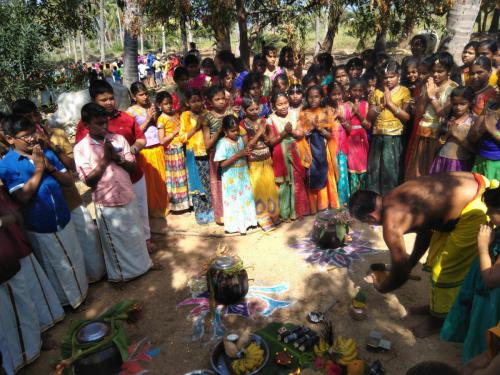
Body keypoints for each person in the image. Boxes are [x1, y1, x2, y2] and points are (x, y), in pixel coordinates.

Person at [349, 172, 490, 338]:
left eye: (366, 223)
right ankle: (437, 307)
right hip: (472, 187)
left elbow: (400, 274)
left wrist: (384, 287)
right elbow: (426, 230)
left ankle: (438, 321)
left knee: (444, 271)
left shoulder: (391, 224)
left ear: (371, 217)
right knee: (434, 259)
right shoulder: (395, 196)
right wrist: (411, 263)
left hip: (475, 205)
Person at [12, 99, 105, 282]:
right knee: (65, 250)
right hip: (46, 209)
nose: (34, 121)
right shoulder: (17, 151)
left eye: (34, 115)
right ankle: (80, 282)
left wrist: (51, 147)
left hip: (70, 199)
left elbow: (72, 165)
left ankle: (97, 275)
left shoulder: (57, 135)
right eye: (27, 119)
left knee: (87, 237)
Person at [0, 115, 88, 308]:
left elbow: (68, 182)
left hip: (63, 216)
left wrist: (50, 168)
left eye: (33, 133)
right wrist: (40, 170)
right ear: (10, 139)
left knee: (74, 256)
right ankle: (69, 303)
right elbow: (22, 196)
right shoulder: (7, 165)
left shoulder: (46, 153)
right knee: (56, 265)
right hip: (41, 224)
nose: (32, 139)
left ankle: (83, 295)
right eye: (26, 136)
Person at [74, 103, 153, 282]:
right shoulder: (81, 148)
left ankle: (144, 266)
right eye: (99, 124)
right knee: (116, 240)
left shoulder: (118, 139)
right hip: (106, 200)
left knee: (135, 235)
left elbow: (133, 167)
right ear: (86, 125)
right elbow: (88, 180)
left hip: (126, 193)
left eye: (105, 122)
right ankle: (121, 276)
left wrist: (118, 159)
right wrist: (105, 160)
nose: (104, 127)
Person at [441, 186, 500, 364]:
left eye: (493, 210)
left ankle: (480, 361)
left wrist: (483, 247)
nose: (488, 213)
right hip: (484, 296)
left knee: (484, 332)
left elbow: (490, 280)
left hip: (492, 304)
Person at [367, 60, 411, 194]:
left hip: (394, 136)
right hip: (378, 134)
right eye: (385, 77)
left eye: (392, 77)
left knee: (390, 168)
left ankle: (390, 196)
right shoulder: (377, 92)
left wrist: (391, 104)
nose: (388, 80)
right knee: (375, 168)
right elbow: (370, 116)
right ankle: (374, 197)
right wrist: (381, 105)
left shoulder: (404, 91)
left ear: (398, 76)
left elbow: (407, 117)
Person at [127, 82, 169, 218]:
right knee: (149, 182)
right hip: (144, 150)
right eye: (141, 94)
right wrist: (148, 119)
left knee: (162, 178)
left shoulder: (152, 106)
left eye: (146, 93)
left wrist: (155, 117)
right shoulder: (130, 112)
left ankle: (165, 205)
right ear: (134, 96)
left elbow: (159, 124)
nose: (145, 97)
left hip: (158, 146)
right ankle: (152, 209)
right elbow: (133, 133)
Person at [267, 92, 310, 221]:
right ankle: (285, 213)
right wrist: (284, 132)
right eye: (279, 104)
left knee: (297, 180)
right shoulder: (270, 119)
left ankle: (298, 211)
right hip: (281, 153)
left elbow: (301, 133)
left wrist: (291, 131)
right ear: (273, 106)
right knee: (285, 183)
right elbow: (271, 141)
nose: (284, 106)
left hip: (295, 151)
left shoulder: (294, 115)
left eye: (285, 103)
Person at [240, 96, 280, 231]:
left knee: (270, 188)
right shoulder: (242, 125)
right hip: (254, 161)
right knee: (259, 190)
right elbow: (247, 147)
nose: (255, 111)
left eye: (257, 108)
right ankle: (263, 219)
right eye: (251, 109)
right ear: (244, 110)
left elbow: (269, 141)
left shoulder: (263, 120)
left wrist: (264, 135)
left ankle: (274, 215)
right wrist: (258, 133)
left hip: (266, 158)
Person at [298, 85, 339, 213]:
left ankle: (325, 204)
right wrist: (310, 129)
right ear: (307, 98)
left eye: (316, 96)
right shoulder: (303, 114)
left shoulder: (326, 113)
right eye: (310, 97)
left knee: (325, 175)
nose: (313, 99)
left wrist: (320, 129)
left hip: (323, 151)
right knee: (311, 175)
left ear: (321, 97)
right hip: (310, 151)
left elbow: (330, 135)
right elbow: (301, 135)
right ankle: (314, 207)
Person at [214, 115, 257, 234]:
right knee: (234, 201)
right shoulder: (222, 143)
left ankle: (248, 222)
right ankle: (236, 226)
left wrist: (246, 155)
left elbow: (244, 153)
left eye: (237, 129)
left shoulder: (240, 140)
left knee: (245, 198)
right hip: (231, 177)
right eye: (232, 131)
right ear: (225, 131)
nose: (236, 133)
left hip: (243, 174)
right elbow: (222, 164)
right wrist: (238, 155)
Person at [179, 88, 215, 225]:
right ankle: (201, 213)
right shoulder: (185, 116)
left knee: (209, 183)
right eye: (193, 101)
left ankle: (211, 210)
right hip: (194, 153)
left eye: (198, 100)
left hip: (208, 152)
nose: (196, 104)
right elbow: (182, 137)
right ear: (187, 103)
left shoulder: (207, 113)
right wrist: (196, 127)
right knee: (197, 183)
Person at [201, 85, 234, 224]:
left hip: (233, 152)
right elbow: (207, 144)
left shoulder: (231, 113)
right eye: (217, 99)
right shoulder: (207, 118)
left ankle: (235, 211)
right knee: (219, 183)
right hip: (216, 155)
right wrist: (219, 131)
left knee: (233, 182)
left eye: (223, 99)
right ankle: (221, 215)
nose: (221, 102)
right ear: (209, 101)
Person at [156, 91, 190, 212]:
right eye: (166, 104)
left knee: (184, 175)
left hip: (181, 148)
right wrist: (174, 132)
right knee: (176, 177)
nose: (169, 106)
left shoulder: (176, 114)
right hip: (172, 151)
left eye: (170, 103)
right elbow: (161, 140)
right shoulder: (161, 119)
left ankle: (187, 203)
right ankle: (178, 205)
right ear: (159, 105)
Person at [429, 86, 476, 173]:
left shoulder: (473, 121)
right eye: (455, 104)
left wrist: (457, 135)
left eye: (462, 104)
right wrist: (447, 134)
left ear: (471, 102)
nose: (458, 107)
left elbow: (474, 149)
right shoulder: (447, 119)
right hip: (441, 161)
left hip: (460, 163)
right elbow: (436, 146)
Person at [469, 78, 500, 179]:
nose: (495, 89)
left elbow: (490, 128)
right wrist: (480, 130)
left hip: (496, 165)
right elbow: (472, 136)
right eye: (497, 84)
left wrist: (493, 131)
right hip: (480, 159)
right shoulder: (492, 105)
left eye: (499, 86)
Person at [326, 83, 350, 207]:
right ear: (329, 95)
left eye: (339, 94)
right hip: (330, 146)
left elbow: (350, 129)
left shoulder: (346, 107)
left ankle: (343, 200)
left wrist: (343, 120)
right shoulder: (326, 109)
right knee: (332, 172)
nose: (336, 97)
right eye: (334, 94)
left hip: (343, 145)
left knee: (342, 172)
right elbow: (325, 127)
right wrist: (333, 117)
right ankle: (334, 201)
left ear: (343, 94)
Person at [345, 78, 370, 194]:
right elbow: (344, 122)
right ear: (349, 91)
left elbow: (368, 125)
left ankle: (363, 193)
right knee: (352, 165)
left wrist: (358, 113)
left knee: (362, 165)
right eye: (354, 90)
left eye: (360, 90)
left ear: (363, 91)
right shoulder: (346, 105)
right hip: (350, 137)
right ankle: (354, 193)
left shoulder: (365, 105)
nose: (357, 93)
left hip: (361, 138)